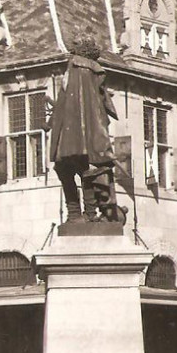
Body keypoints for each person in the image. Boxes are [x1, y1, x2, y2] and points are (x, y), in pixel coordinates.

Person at [49, 36, 122, 223]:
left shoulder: (74, 69)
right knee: (84, 169)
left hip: (70, 134)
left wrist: (52, 121)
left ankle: (78, 213)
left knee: (69, 168)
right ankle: (88, 213)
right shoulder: (93, 72)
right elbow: (99, 101)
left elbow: (66, 99)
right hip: (86, 133)